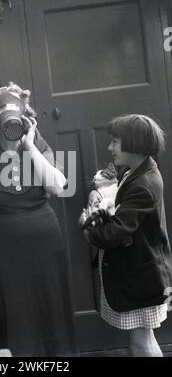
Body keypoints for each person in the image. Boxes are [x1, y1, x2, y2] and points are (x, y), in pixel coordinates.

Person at [0, 87, 76, 357]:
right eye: (5, 124)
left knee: (53, 303)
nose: (10, 131)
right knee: (16, 310)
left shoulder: (38, 146)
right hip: (6, 245)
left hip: (45, 240)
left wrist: (28, 143)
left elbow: (57, 186)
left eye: (15, 123)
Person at [84, 114, 172, 357]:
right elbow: (111, 184)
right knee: (144, 338)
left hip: (140, 277)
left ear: (134, 143)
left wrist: (88, 224)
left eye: (115, 141)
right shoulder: (135, 171)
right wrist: (98, 194)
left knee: (140, 342)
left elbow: (113, 233)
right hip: (141, 273)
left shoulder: (143, 183)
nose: (109, 147)